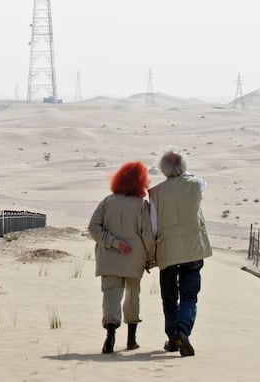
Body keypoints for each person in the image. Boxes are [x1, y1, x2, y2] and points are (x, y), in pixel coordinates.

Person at [148, 150, 212, 357]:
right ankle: (182, 330)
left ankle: (173, 336)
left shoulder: (156, 192)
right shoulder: (195, 185)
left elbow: (154, 225)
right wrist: (183, 173)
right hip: (192, 247)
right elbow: (200, 180)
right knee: (189, 294)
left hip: (167, 249)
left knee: (169, 295)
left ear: (163, 169)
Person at [88, 161, 155, 354]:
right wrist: (150, 258)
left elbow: (93, 228)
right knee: (132, 297)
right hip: (135, 257)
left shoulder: (107, 201)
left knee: (110, 296)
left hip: (109, 258)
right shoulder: (142, 206)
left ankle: (110, 337)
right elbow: (148, 235)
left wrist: (114, 243)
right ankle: (131, 340)